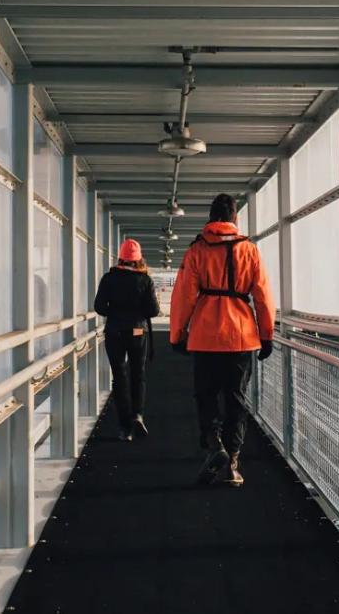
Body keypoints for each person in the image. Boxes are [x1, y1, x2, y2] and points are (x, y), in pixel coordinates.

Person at [169, 193, 275, 486]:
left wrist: (177, 334)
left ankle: (214, 445)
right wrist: (266, 335)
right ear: (234, 218)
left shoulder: (196, 251)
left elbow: (183, 297)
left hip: (205, 336)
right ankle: (233, 461)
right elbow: (263, 297)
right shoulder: (249, 250)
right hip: (241, 337)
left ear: (211, 217)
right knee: (236, 399)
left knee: (205, 395)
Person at [94, 238, 162, 441]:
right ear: (138, 259)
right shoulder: (145, 280)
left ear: (120, 258)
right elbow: (154, 310)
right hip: (137, 333)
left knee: (119, 377)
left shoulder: (109, 278)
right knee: (137, 374)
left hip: (114, 332)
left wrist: (114, 311)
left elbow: (99, 307)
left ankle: (125, 428)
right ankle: (137, 415)